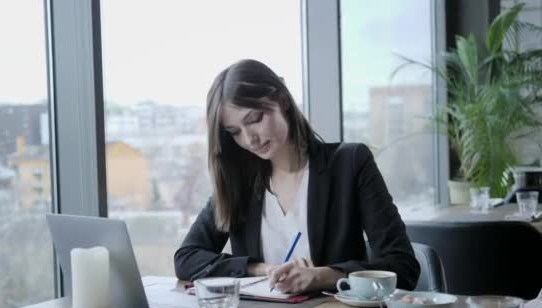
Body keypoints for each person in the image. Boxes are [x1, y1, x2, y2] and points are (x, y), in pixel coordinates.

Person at [174, 59, 420, 294]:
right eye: (235, 132)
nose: (249, 139)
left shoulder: (350, 164)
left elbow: (402, 267)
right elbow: (186, 258)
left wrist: (322, 276)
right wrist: (258, 269)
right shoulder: (240, 182)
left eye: (255, 119)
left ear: (282, 100)